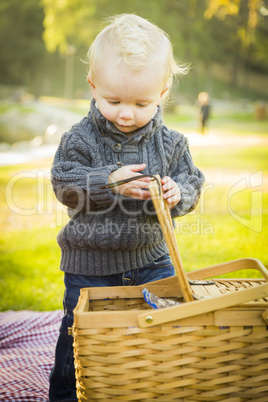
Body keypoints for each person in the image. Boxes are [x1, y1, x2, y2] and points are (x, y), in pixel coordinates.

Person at [49, 14, 205, 401]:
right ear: (93, 86)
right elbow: (63, 184)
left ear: (163, 92)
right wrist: (106, 181)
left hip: (154, 262)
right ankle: (69, 394)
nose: (125, 113)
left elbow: (192, 182)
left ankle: (150, 388)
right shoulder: (79, 139)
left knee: (164, 332)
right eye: (113, 100)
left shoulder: (172, 144)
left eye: (141, 103)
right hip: (90, 268)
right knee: (79, 339)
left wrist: (177, 194)